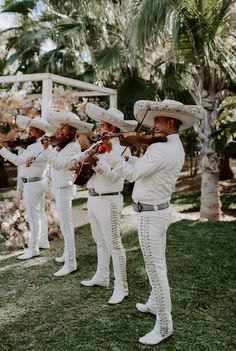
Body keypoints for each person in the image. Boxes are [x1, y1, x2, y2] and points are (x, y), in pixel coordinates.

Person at [101, 99, 202, 344]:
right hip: (160, 211)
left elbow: (134, 175)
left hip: (150, 216)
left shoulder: (160, 148)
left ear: (170, 122)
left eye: (158, 120)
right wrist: (127, 157)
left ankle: (165, 325)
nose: (153, 125)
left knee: (155, 270)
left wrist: (111, 153)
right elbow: (146, 167)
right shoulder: (172, 146)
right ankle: (155, 303)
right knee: (159, 265)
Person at [69, 103, 137, 304]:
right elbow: (80, 156)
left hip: (110, 200)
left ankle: (121, 287)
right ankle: (102, 276)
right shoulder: (96, 144)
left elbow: (115, 177)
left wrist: (96, 162)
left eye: (102, 125)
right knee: (99, 241)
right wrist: (76, 161)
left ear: (112, 128)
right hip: (93, 197)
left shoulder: (122, 148)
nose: (99, 128)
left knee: (114, 244)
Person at [34, 111, 93, 277]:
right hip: (59, 186)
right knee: (64, 223)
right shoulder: (62, 144)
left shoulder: (73, 146)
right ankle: (67, 254)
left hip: (64, 188)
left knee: (66, 226)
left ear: (73, 131)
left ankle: (71, 262)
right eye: (60, 127)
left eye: (64, 128)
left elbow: (59, 164)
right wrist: (50, 147)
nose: (60, 131)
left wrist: (46, 150)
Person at [0, 115, 55, 259]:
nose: (29, 132)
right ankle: (43, 241)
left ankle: (33, 248)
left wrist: (2, 149)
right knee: (41, 213)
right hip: (40, 181)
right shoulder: (41, 145)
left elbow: (18, 161)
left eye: (32, 130)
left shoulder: (34, 146)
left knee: (33, 217)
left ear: (40, 132)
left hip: (33, 184)